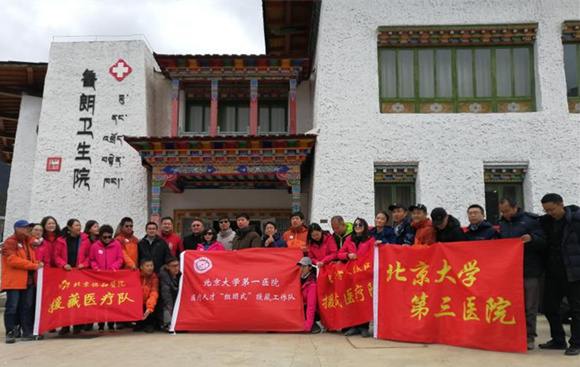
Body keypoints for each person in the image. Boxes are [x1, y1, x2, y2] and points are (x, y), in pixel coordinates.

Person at [498, 197, 547, 350]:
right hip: (510, 272)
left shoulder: (531, 220)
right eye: (502, 212)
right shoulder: (502, 224)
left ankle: (529, 336)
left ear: (516, 207)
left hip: (529, 270)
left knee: (529, 306)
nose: (505, 214)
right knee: (510, 305)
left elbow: (544, 241)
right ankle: (512, 334)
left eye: (507, 211)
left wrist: (532, 239)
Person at [538, 193, 580, 356]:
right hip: (552, 272)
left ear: (561, 204)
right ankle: (558, 340)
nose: (549, 213)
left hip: (573, 272)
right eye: (546, 210)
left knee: (577, 309)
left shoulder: (576, 221)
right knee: (549, 307)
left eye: (551, 209)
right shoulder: (545, 222)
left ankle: (576, 342)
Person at [1, 220, 43, 343]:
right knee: (12, 307)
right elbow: (12, 260)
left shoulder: (28, 243)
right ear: (17, 229)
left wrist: (37, 264)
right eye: (25, 228)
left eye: (29, 228)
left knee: (27, 307)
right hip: (14, 281)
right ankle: (10, 331)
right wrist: (33, 265)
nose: (28, 230)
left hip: (28, 281)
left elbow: (31, 259)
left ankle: (27, 331)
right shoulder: (10, 242)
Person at [53, 219, 92, 335]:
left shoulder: (85, 240)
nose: (79, 227)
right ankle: (65, 325)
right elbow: (56, 256)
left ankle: (77, 325)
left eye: (80, 225)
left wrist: (84, 264)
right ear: (69, 228)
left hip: (79, 274)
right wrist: (63, 264)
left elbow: (89, 256)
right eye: (76, 225)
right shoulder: (61, 240)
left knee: (78, 300)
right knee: (65, 300)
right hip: (65, 274)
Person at [339, 218, 374, 337]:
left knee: (364, 300)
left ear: (364, 226)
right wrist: (348, 255)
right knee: (353, 300)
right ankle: (354, 326)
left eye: (360, 224)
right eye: (356, 225)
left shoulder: (370, 240)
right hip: (351, 274)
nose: (358, 226)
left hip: (365, 274)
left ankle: (364, 327)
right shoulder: (349, 239)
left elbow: (373, 255)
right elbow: (340, 254)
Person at [89, 225, 124, 332]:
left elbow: (120, 259)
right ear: (100, 236)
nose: (108, 239)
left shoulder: (117, 245)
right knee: (100, 302)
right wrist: (96, 268)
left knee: (111, 301)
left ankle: (111, 324)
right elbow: (92, 259)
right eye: (105, 237)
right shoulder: (95, 246)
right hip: (99, 278)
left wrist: (114, 267)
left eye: (109, 237)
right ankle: (100, 324)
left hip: (112, 277)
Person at [134, 258, 159, 333]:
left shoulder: (154, 278)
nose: (150, 268)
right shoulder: (135, 276)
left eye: (151, 266)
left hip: (148, 303)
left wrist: (149, 307)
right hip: (138, 302)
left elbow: (154, 293)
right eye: (147, 266)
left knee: (153, 304)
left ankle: (150, 324)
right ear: (141, 267)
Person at [297, 257, 321, 334]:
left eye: (304, 266)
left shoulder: (312, 284)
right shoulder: (297, 279)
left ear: (310, 267)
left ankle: (311, 325)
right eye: (300, 266)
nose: (302, 269)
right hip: (301, 307)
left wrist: (307, 327)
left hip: (309, 311)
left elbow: (311, 306)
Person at [159, 257, 181, 331]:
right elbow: (167, 298)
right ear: (167, 267)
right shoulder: (164, 279)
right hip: (168, 302)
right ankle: (167, 323)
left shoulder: (181, 274)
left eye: (177, 265)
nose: (176, 268)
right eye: (173, 266)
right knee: (167, 306)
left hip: (178, 300)